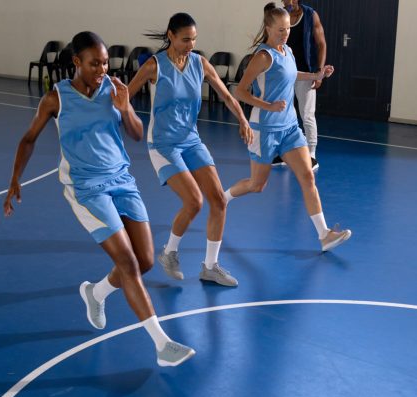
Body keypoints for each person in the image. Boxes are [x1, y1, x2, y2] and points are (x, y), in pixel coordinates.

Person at [3, 31, 195, 367]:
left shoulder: (114, 91)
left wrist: (124, 108)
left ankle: (97, 292)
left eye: (105, 62)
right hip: (87, 188)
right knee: (129, 263)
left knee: (146, 261)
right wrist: (15, 179)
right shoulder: (56, 98)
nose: (102, 69)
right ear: (76, 63)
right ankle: (162, 345)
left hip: (122, 181)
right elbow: (28, 139)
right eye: (94, 63)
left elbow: (136, 134)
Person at [127, 13, 253, 287]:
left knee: (218, 200)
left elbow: (227, 95)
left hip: (191, 141)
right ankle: (169, 252)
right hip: (163, 144)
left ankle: (210, 266)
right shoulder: (153, 66)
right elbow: (123, 98)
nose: (190, 44)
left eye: (194, 39)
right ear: (171, 36)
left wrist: (243, 120)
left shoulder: (199, 63)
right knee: (194, 201)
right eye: (185, 39)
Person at [224, 3, 351, 253]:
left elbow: (294, 75)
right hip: (265, 128)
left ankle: (324, 234)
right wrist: (267, 105)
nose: (285, 34)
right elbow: (239, 91)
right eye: (280, 30)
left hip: (290, 128)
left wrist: (317, 75)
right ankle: (223, 197)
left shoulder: (288, 51)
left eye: (288, 29)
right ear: (268, 29)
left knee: (306, 177)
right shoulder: (262, 57)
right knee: (257, 185)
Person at [283, 0, 327, 168]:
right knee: (285, 114)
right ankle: (286, 151)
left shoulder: (310, 15)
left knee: (307, 115)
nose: (289, 2)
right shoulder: (281, 16)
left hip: (306, 73)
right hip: (285, 72)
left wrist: (319, 73)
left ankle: (311, 154)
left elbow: (321, 43)